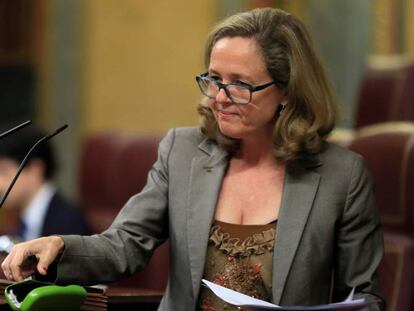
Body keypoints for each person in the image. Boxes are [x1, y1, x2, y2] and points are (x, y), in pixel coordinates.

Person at [1, 7, 384, 311]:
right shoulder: (182, 152)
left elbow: (364, 297)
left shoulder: (342, 176)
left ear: (287, 90)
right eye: (214, 79)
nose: (219, 96)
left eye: (240, 84)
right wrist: (58, 246)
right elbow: (126, 244)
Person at [0, 126, 90, 240]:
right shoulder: (20, 220)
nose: (0, 183)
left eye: (4, 171)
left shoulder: (68, 224)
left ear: (35, 170)